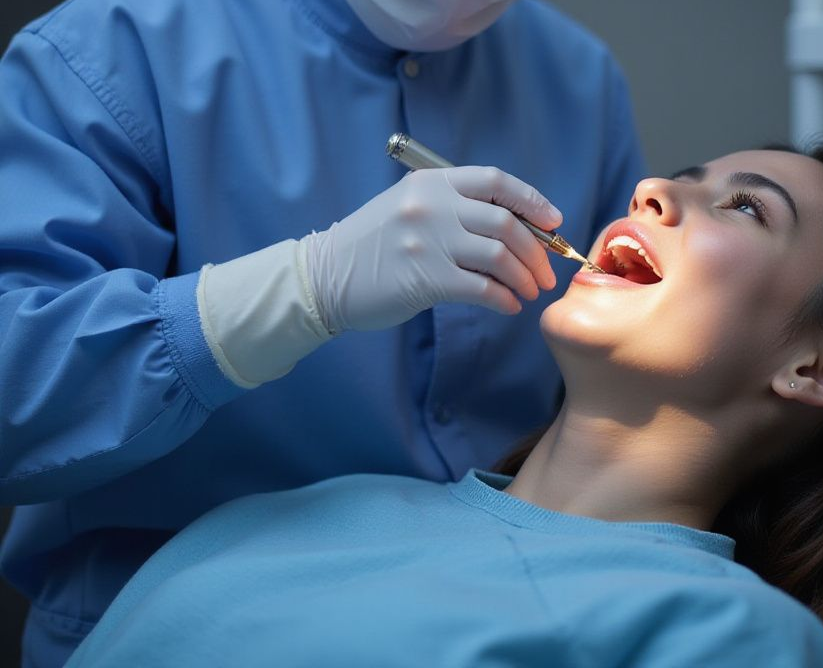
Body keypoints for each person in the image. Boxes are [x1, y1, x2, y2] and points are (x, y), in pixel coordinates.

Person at [63, 145, 823, 666]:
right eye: (681, 178)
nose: (653, 190)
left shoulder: (727, 636)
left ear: (821, 370)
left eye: (745, 208)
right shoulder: (299, 514)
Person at [0, 0, 647, 664]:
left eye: (744, 206)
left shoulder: (579, 82)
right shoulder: (110, 48)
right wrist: (302, 287)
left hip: (480, 625)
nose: (658, 198)